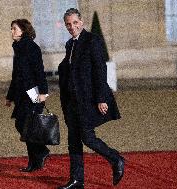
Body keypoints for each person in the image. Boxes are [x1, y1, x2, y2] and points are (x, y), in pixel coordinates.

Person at [57, 8, 125, 189]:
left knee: (87, 137)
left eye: (75, 23)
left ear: (82, 22)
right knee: (73, 141)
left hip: (87, 100)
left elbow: (100, 70)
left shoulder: (92, 40)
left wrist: (102, 98)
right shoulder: (69, 44)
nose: (72, 27)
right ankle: (77, 180)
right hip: (71, 101)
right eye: (68, 24)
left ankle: (116, 158)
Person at [5, 19, 49, 173]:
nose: (12, 31)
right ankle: (36, 159)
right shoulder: (18, 47)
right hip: (21, 96)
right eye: (11, 29)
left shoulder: (31, 47)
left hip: (33, 94)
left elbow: (39, 71)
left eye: (14, 29)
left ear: (23, 30)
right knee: (24, 126)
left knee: (26, 126)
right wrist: (10, 96)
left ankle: (39, 154)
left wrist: (43, 93)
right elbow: (16, 75)